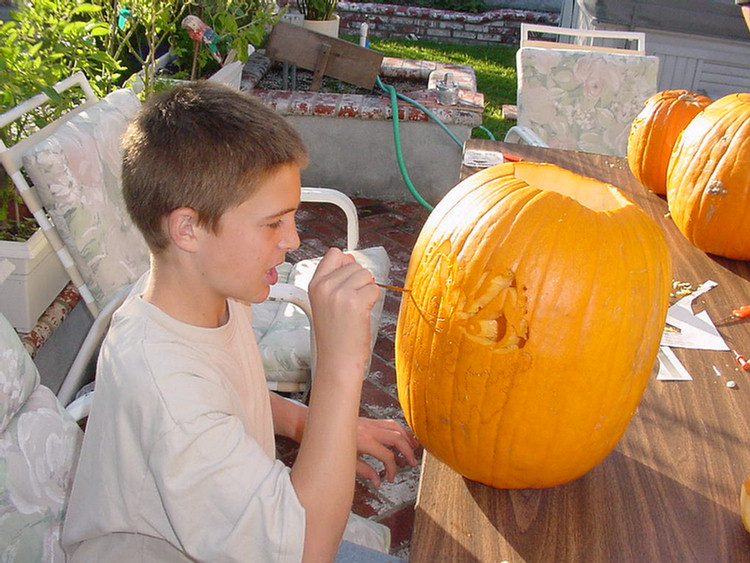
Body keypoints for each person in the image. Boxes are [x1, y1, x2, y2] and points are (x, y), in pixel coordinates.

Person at [62, 82, 418, 563]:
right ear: (187, 229)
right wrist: (339, 363)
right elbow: (310, 551)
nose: (292, 239)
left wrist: (307, 422)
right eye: (273, 223)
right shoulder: (166, 387)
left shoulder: (208, 294)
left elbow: (225, 388)